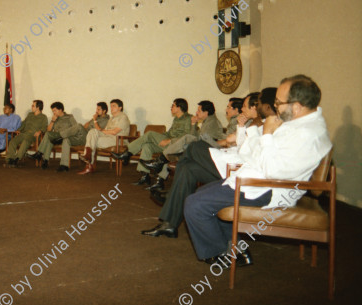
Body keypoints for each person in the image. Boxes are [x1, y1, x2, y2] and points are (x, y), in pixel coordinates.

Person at [184, 75, 332, 267]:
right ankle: (235, 248)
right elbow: (260, 157)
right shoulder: (299, 124)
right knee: (200, 194)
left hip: (267, 189)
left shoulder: (308, 134)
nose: (276, 106)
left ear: (296, 106)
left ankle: (222, 254)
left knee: (194, 205)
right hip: (257, 180)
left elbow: (272, 170)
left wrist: (268, 133)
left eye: (279, 102)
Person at [140, 92, 270, 237]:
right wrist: (241, 127)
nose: (242, 110)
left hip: (236, 171)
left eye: (245, 106)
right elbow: (240, 146)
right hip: (229, 162)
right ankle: (169, 224)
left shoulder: (266, 126)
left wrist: (246, 129)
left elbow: (248, 154)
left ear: (256, 107)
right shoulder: (253, 124)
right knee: (187, 168)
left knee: (194, 146)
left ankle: (168, 185)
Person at [140, 100, 225, 191]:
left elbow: (201, 141)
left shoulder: (212, 123)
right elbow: (195, 137)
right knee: (173, 150)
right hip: (201, 148)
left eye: (199, 110)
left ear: (206, 112)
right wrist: (193, 124)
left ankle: (160, 162)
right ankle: (159, 175)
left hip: (208, 152)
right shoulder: (207, 121)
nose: (196, 112)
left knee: (181, 142)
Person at [112, 98, 191, 185]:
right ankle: (145, 176)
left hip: (175, 146)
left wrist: (169, 140)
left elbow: (187, 136)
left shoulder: (189, 119)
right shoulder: (176, 119)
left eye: (173, 105)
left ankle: (127, 153)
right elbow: (169, 133)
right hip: (167, 143)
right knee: (147, 146)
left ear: (179, 107)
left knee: (149, 134)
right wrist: (161, 137)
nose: (171, 107)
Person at [28, 102, 86, 172]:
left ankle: (61, 164)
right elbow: (48, 130)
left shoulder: (69, 117)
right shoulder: (55, 118)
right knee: (48, 135)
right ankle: (43, 158)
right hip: (57, 138)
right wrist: (52, 121)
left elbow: (75, 129)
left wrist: (63, 135)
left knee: (64, 139)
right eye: (52, 111)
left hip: (67, 137)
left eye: (55, 110)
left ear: (60, 110)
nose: (53, 112)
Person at [78, 99, 130, 175]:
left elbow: (114, 132)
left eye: (114, 106)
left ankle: (89, 164)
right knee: (92, 131)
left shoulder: (123, 117)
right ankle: (88, 157)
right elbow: (103, 131)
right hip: (109, 138)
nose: (111, 108)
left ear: (120, 108)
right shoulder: (111, 118)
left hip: (118, 140)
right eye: (111, 106)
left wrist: (101, 131)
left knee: (92, 141)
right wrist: (99, 130)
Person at [5, 100, 48, 168]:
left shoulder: (43, 117)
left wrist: (40, 131)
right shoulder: (30, 114)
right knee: (13, 141)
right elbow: (24, 123)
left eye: (33, 106)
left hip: (34, 136)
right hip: (24, 133)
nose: (31, 107)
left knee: (25, 141)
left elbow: (45, 127)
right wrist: (18, 130)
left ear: (38, 107)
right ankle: (10, 159)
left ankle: (16, 159)